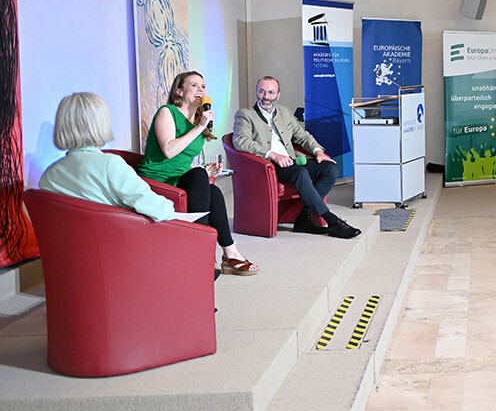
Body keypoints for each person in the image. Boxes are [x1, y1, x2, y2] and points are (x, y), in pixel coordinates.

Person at [137, 71, 258, 275]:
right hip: (158, 179)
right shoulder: (167, 112)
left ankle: (230, 252)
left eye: (203, 86)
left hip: (179, 178)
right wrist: (199, 128)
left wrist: (202, 169)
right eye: (194, 85)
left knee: (213, 191)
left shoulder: (197, 120)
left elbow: (184, 160)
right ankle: (201, 252)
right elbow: (169, 151)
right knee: (202, 179)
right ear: (179, 91)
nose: (200, 90)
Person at [233, 76, 360, 239]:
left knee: (330, 169)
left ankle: (304, 217)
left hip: (292, 162)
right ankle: (332, 221)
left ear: (278, 95)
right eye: (262, 92)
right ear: (256, 92)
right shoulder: (245, 114)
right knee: (300, 172)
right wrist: (272, 154)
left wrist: (317, 151)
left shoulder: (284, 112)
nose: (266, 97)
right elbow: (241, 141)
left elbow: (302, 135)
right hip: (268, 166)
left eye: (271, 92)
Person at [39, 92, 175, 222]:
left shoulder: (49, 175)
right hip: (123, 237)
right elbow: (160, 210)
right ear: (101, 124)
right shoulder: (110, 164)